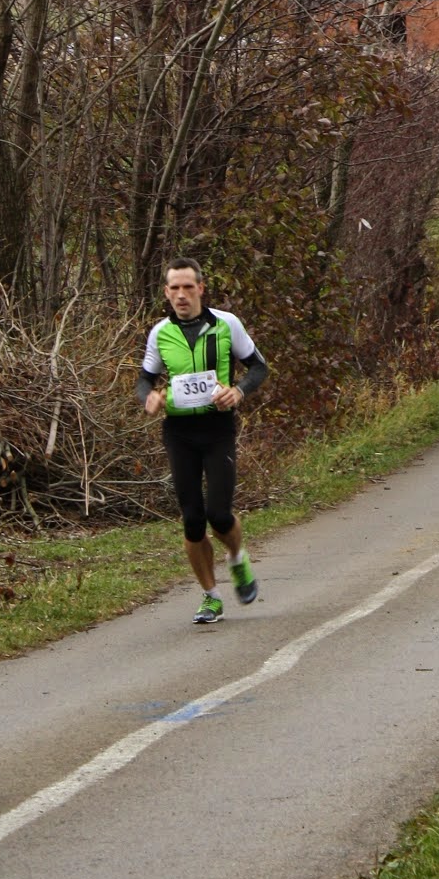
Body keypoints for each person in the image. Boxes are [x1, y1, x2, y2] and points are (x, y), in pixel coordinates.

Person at [139, 259, 269, 624]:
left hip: (218, 429)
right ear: (166, 293)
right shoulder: (160, 332)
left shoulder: (227, 324)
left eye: (187, 287)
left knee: (219, 514)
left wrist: (239, 392)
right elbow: (144, 379)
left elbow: (258, 367)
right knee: (193, 521)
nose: (181, 295)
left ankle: (238, 558)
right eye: (174, 289)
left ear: (201, 288)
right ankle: (211, 596)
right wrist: (149, 398)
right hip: (179, 433)